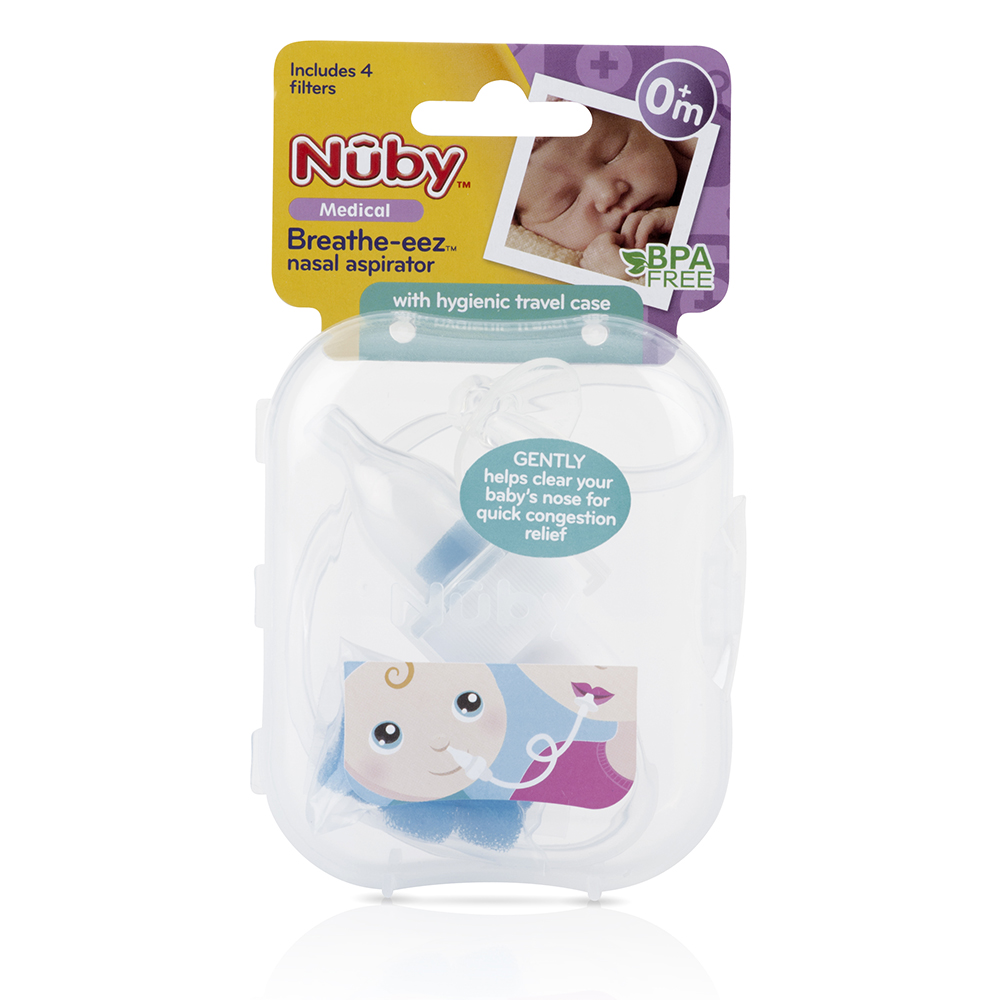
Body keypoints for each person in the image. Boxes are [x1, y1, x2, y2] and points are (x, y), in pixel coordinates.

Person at [514, 108, 696, 280]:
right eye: (566, 203)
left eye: (614, 153)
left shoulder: (692, 142)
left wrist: (694, 221)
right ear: (527, 229)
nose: (608, 195)